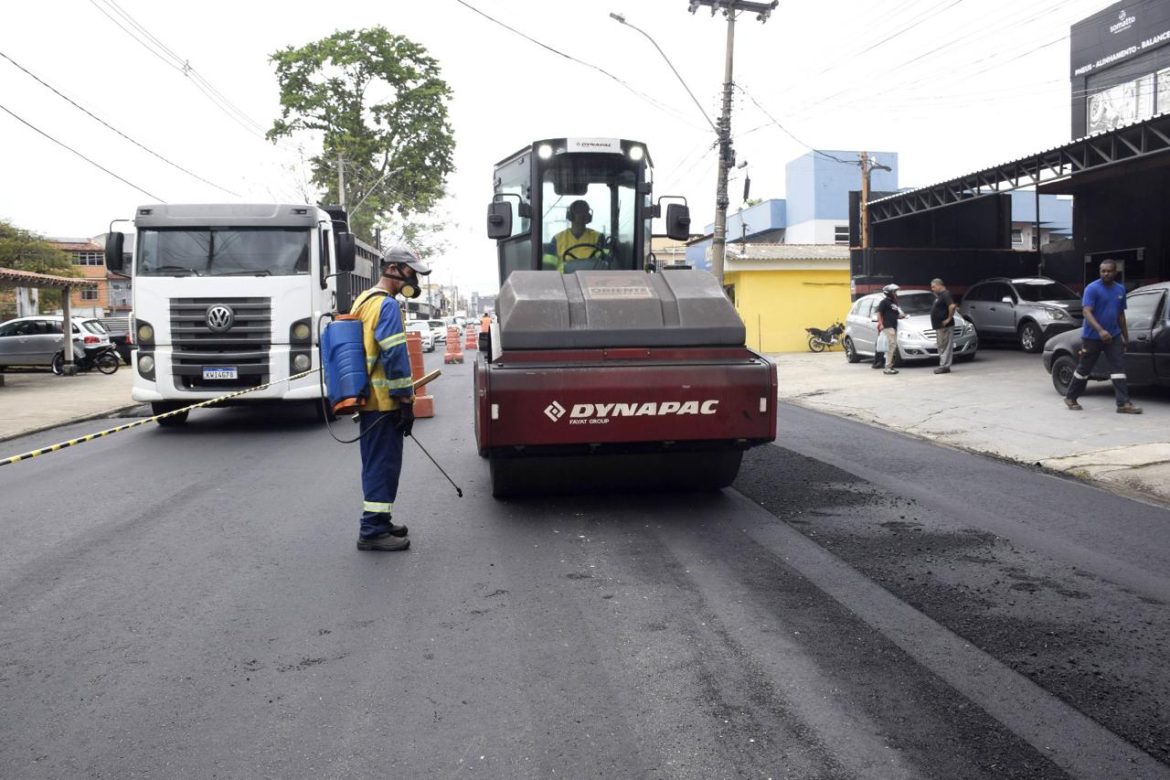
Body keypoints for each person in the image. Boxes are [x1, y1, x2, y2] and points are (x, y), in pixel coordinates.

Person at [349, 244, 433, 552]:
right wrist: (405, 400)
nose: (415, 280)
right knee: (383, 464)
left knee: (377, 462)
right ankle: (371, 530)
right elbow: (395, 355)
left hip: (370, 399)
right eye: (411, 272)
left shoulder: (364, 300)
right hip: (384, 402)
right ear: (394, 269)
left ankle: (380, 522)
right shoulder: (386, 305)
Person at [1064, 259, 1142, 414]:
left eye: (1109, 271)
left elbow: (1121, 315)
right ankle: (1071, 397)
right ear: (1100, 271)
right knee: (1084, 369)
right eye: (1103, 271)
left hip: (1113, 336)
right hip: (1092, 337)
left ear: (1115, 272)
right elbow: (1087, 312)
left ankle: (1123, 404)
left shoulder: (1120, 290)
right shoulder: (1092, 288)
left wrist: (1125, 336)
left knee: (1118, 368)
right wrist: (1100, 331)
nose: (1106, 274)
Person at [543, 200, 606, 271]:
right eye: (578, 212)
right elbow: (548, 265)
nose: (582, 215)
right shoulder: (557, 238)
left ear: (589, 216)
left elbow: (605, 261)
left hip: (591, 279)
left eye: (585, 212)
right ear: (570, 215)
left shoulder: (598, 237)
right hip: (564, 279)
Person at [875, 283, 907, 374]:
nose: (896, 293)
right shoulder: (884, 302)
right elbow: (879, 314)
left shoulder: (894, 303)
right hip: (887, 326)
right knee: (891, 346)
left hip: (893, 326)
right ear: (889, 292)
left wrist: (902, 316)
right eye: (894, 292)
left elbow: (895, 314)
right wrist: (881, 324)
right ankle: (887, 367)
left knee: (892, 346)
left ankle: (890, 366)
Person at [930, 278, 957, 374]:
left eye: (933, 287)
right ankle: (944, 365)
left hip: (945, 326)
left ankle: (944, 366)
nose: (932, 289)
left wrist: (948, 319)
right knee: (942, 345)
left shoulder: (946, 294)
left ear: (939, 285)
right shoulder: (940, 295)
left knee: (945, 346)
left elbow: (952, 306)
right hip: (940, 326)